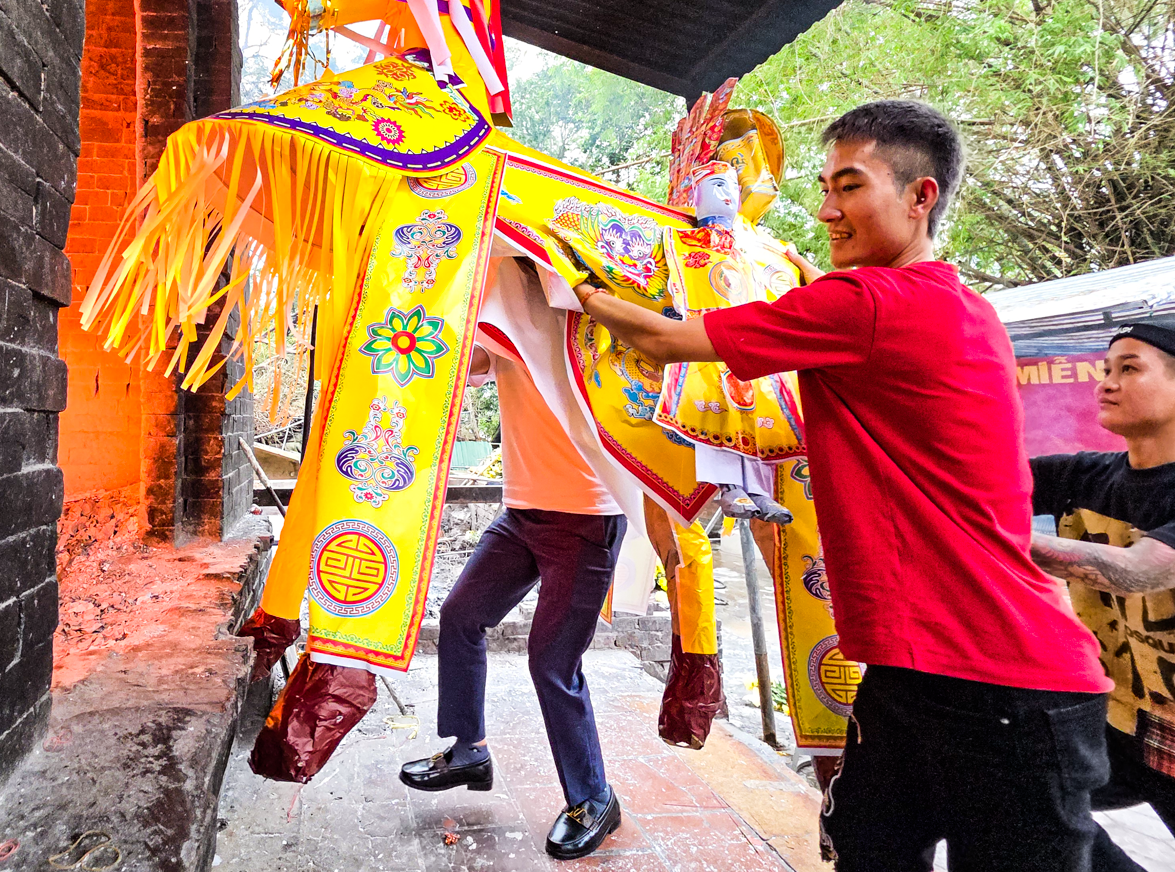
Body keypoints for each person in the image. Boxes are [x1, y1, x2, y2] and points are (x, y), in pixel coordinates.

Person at [572, 99, 1112, 871]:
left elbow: (663, 337)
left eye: (850, 187)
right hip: (915, 670)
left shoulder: (864, 304)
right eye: (824, 186)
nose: (826, 210)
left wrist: (572, 277)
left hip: (1000, 684)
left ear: (921, 196)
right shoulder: (965, 307)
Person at [398, 329, 626, 860]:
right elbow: (464, 360)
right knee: (460, 616)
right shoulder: (495, 301)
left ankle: (594, 798)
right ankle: (469, 750)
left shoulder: (584, 295)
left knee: (552, 662)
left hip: (587, 514)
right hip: (523, 511)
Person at [1029, 322, 1175, 871]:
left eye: (1129, 368)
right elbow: (977, 481)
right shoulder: (1083, 475)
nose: (1106, 383)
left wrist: (982, 533)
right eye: (1106, 370)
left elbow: (1139, 571)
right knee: (1019, 794)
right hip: (1121, 724)